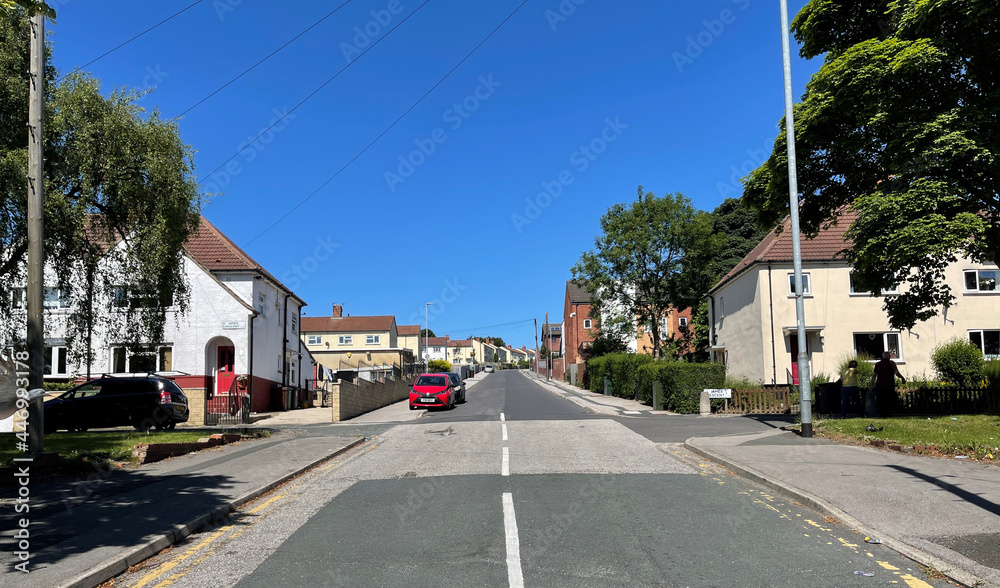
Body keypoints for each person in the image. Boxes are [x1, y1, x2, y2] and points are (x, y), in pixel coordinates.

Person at [872, 351, 905, 418]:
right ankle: (888, 413)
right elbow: (896, 373)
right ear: (889, 356)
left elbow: (874, 375)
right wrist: (902, 378)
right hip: (889, 384)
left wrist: (871, 384)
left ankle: (881, 413)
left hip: (880, 384)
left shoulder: (878, 364)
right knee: (888, 399)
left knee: (880, 399)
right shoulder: (891, 363)